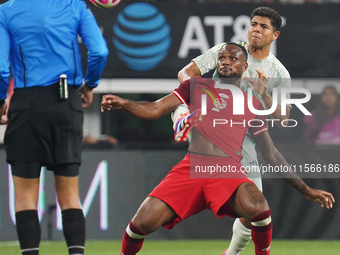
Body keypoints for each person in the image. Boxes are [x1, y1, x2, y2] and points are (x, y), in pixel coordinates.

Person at [101, 43, 334, 255]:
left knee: (260, 207)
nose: (225, 62)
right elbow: (154, 108)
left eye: (232, 59)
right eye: (222, 58)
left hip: (227, 171)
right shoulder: (196, 85)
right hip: (192, 167)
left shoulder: (251, 103)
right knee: (140, 224)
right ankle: (181, 119)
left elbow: (271, 153)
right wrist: (124, 103)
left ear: (244, 67)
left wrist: (305, 189)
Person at [173, 6, 291, 255]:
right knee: (178, 102)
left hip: (246, 138)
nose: (256, 30)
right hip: (211, 123)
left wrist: (263, 93)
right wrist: (196, 95)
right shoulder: (228, 50)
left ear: (275, 36)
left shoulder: (279, 73)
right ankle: (183, 120)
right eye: (254, 24)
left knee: (255, 214)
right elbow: (186, 72)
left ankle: (231, 253)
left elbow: (283, 117)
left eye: (264, 27)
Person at [0, 0, 108, 254]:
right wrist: (90, 84)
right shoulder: (75, 6)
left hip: (26, 105)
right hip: (65, 103)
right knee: (70, 195)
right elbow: (99, 51)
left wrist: (1, 98)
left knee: (26, 197)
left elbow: (1, 67)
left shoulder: (6, 11)